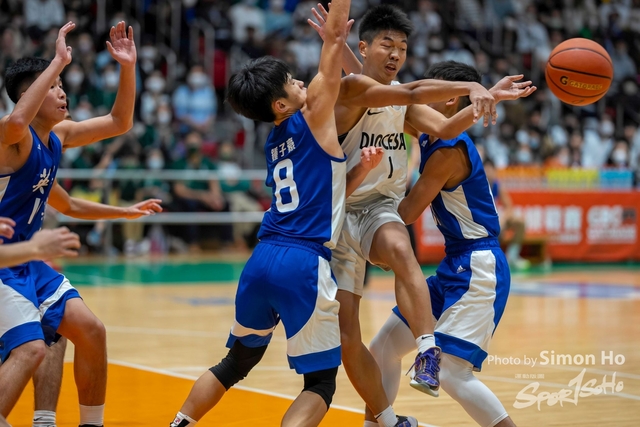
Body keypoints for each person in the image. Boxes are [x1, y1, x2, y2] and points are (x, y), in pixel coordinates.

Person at [307, 5, 527, 426]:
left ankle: (428, 352)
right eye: (387, 45)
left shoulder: (441, 144)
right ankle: (382, 421)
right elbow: (374, 83)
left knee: (450, 368)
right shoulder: (382, 95)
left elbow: (410, 203)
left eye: (402, 47)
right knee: (371, 346)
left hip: (469, 259)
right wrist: (335, 41)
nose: (396, 54)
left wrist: (487, 94)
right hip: (344, 216)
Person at [168, 1, 381, 425]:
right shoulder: (314, 115)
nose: (300, 81)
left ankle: (178, 423)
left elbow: (323, 195)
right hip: (302, 262)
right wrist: (336, 23)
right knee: (320, 384)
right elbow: (334, 40)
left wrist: (358, 170)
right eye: (290, 82)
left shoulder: (275, 142)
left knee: (235, 363)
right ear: (281, 105)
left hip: (262, 260)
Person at [368, 61, 532, 427]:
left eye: (435, 88)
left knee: (452, 373)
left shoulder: (448, 150)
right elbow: (378, 91)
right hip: (455, 264)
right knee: (382, 350)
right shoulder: (428, 131)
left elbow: (408, 212)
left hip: (479, 266)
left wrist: (366, 223)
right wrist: (339, 44)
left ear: (449, 100)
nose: (424, 92)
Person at [0, 20, 137, 426]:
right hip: (3, 265)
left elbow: (119, 122)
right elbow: (15, 123)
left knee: (91, 331)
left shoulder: (56, 138)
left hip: (28, 262)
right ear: (29, 95)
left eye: (62, 84)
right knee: (31, 349)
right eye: (54, 86)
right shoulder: (12, 140)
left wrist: (128, 67)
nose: (62, 91)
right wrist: (57, 61)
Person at [483, 159, 530, 270]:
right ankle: (491, 258)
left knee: (520, 222)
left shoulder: (497, 185)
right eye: (486, 170)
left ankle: (512, 256)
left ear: (494, 171)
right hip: (483, 220)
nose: (488, 173)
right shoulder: (478, 186)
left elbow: (509, 206)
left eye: (490, 170)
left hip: (496, 218)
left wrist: (502, 219)